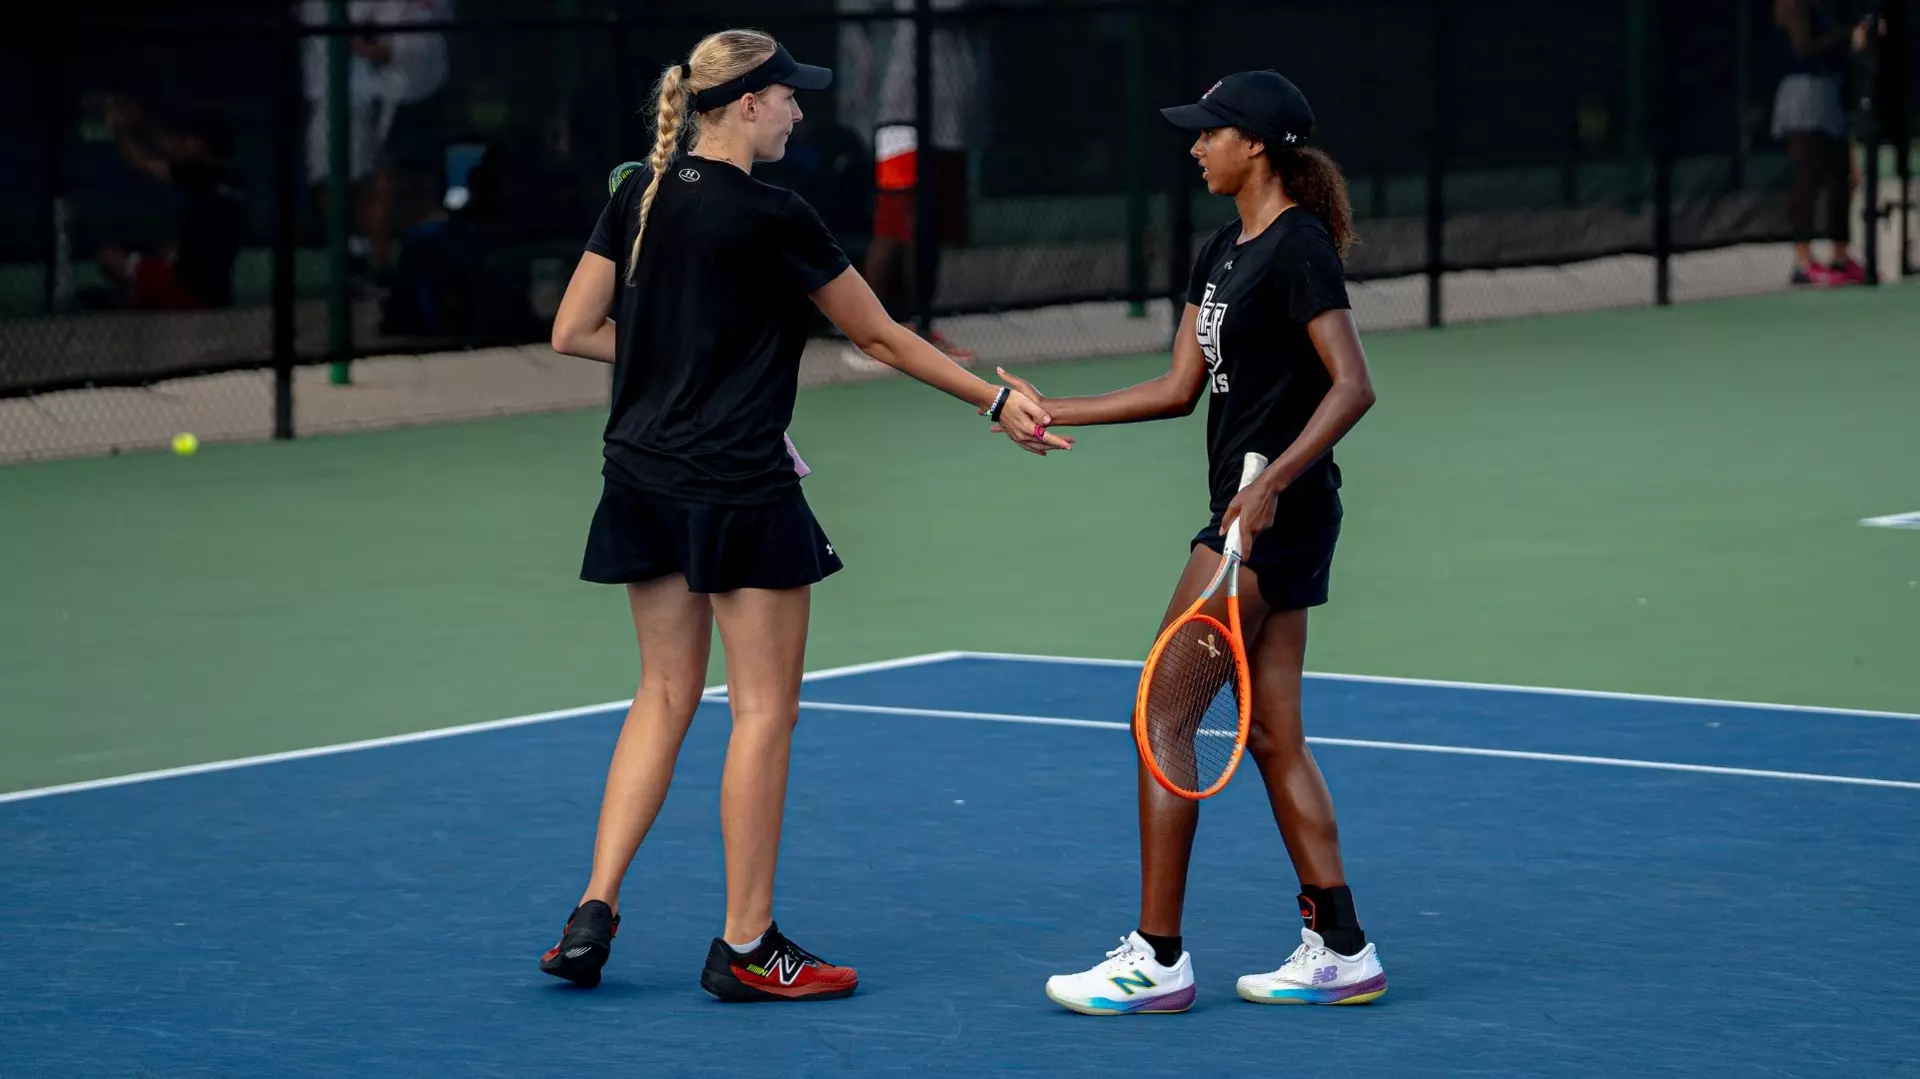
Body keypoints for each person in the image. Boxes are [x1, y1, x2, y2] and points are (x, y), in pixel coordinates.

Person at [540, 28, 1068, 1002]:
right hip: (740, 484)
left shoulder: (639, 194)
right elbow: (880, 335)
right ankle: (747, 946)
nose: (798, 111)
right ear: (746, 104)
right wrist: (995, 400)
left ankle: (592, 909)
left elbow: (573, 330)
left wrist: (671, 357)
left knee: (661, 693)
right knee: (764, 710)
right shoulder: (776, 214)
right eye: (788, 96)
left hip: (641, 477)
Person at [999, 71, 1384, 1014]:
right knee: (1274, 734)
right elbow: (1178, 388)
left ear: (1254, 144)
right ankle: (1341, 948)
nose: (1195, 146)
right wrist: (1054, 409)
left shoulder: (1298, 246)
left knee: (1162, 715)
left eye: (1210, 132)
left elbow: (1354, 384)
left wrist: (1270, 486)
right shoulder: (1221, 250)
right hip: (1259, 512)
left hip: (1267, 517)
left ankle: (1157, 958)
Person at [94, 98, 243, 311]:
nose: (185, 143)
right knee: (169, 250)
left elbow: (141, 162)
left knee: (109, 257)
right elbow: (172, 148)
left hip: (188, 291)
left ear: (203, 145)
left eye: (190, 139)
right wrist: (141, 121)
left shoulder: (201, 175)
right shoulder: (232, 177)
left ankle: (133, 300)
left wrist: (119, 128)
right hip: (214, 291)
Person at [1771, 0, 1868, 286]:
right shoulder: (1792, 4)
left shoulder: (1828, 6)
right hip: (1803, 93)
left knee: (1845, 176)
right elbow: (1803, 48)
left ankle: (1840, 257)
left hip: (1829, 92)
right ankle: (1802, 262)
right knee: (1807, 176)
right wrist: (1848, 35)